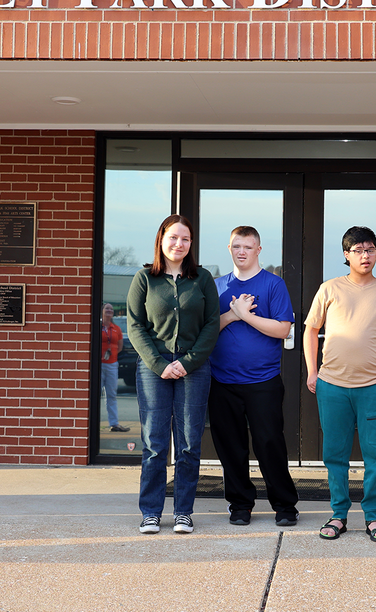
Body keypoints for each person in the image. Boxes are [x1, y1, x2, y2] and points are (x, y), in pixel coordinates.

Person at [304, 226, 376, 543]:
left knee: (375, 456)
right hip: (332, 386)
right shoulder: (330, 288)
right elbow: (310, 330)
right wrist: (312, 372)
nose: (365, 255)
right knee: (335, 454)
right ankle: (338, 514)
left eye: (371, 249)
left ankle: (373, 517)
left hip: (375, 387)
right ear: (346, 255)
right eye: (358, 250)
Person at [126, 214, 219, 535]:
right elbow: (135, 325)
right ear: (161, 240)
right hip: (154, 368)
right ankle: (151, 512)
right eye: (173, 238)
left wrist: (188, 361)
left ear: (191, 244)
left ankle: (183, 512)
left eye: (185, 239)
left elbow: (211, 324)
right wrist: (159, 363)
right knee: (154, 443)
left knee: (189, 443)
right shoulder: (144, 279)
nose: (179, 244)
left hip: (194, 368)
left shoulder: (202, 278)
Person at [208, 226, 299, 527]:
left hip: (263, 382)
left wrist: (247, 316)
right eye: (236, 246)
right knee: (230, 447)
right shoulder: (217, 286)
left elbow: (283, 329)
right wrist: (234, 314)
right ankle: (240, 505)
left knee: (269, 444)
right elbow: (207, 331)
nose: (242, 251)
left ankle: (285, 506)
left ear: (259, 250)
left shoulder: (273, 285)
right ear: (229, 248)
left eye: (248, 246)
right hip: (223, 382)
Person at [99, 303, 130, 433]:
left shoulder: (116, 328)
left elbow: (120, 346)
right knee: (95, 394)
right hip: (98, 364)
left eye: (111, 309)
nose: (109, 310)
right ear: (102, 311)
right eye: (107, 308)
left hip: (112, 364)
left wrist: (111, 354)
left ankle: (114, 424)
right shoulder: (97, 326)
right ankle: (92, 423)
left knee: (111, 395)